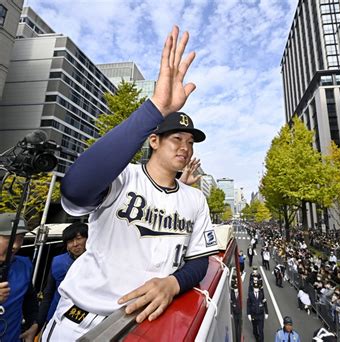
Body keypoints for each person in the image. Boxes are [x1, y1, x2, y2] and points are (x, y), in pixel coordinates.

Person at [42, 26, 219, 341]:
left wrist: (173, 283)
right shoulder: (124, 177)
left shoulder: (194, 199)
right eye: (176, 138)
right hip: (82, 320)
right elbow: (75, 189)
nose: (185, 147)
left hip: (145, 325)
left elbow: (199, 260)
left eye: (191, 142)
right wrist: (155, 109)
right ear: (153, 140)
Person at [37, 222, 88, 331]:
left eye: (79, 239)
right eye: (70, 241)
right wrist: (39, 324)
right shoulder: (58, 262)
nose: (75, 244)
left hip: (84, 321)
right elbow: (48, 295)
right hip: (56, 318)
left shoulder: (99, 262)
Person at [0, 213, 38, 341]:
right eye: (10, 238)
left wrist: (33, 325)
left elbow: (29, 299)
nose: (16, 245)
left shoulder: (24, 265)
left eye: (20, 238)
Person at [247, 278, 268, 342]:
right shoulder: (250, 294)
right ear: (253, 287)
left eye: (257, 288)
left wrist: (266, 312)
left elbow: (264, 302)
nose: (256, 289)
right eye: (255, 287)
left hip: (260, 315)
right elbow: (248, 304)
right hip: (254, 315)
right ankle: (257, 338)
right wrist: (248, 314)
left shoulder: (261, 293)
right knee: (255, 329)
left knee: (261, 330)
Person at [230, 274, 241, 342]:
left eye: (237, 289)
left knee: (240, 327)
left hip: (240, 313)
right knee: (236, 328)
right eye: (235, 289)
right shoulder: (232, 294)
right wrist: (231, 312)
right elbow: (231, 303)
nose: (236, 290)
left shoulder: (240, 294)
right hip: (235, 313)